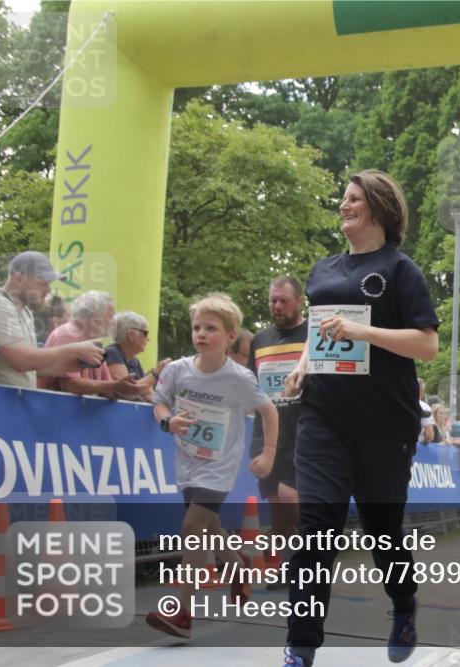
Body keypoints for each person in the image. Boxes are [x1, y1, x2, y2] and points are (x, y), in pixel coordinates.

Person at [280, 170, 438, 667]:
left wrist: (362, 332)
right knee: (315, 532)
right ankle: (300, 647)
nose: (343, 205)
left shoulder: (400, 270)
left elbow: (428, 346)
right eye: (343, 198)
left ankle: (404, 605)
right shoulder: (323, 270)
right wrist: (304, 366)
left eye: (353, 199)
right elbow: (320, 334)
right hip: (324, 420)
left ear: (378, 208)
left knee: (382, 532)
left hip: (385, 425)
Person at [146, 292, 279, 639]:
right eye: (196, 328)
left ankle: (182, 612)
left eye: (211, 328)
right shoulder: (177, 371)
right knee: (209, 529)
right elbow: (158, 403)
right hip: (187, 462)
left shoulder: (239, 378)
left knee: (193, 528)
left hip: (220, 467)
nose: (201, 334)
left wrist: (268, 452)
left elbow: (268, 410)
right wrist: (168, 422)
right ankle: (238, 567)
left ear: (230, 337)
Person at [0, 252, 105, 388]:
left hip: (5, 403)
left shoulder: (24, 310)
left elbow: (28, 368)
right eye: (43, 283)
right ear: (19, 279)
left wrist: (71, 365)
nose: (48, 290)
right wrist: (75, 349)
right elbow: (22, 361)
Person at [247, 275, 308, 584]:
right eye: (273, 300)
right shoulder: (260, 340)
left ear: (299, 301)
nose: (277, 306)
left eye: (284, 300)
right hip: (266, 432)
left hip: (302, 429)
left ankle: (313, 555)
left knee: (289, 495)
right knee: (275, 501)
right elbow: (250, 385)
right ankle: (289, 566)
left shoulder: (312, 334)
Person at [39, 291, 140, 400]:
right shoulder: (67, 335)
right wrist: (115, 386)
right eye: (111, 317)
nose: (114, 322)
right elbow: (69, 385)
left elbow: (108, 388)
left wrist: (128, 389)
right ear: (95, 321)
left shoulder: (94, 344)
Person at [105, 311, 171, 401]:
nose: (148, 339)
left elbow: (147, 394)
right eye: (145, 333)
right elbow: (127, 391)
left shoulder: (134, 360)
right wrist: (156, 373)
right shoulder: (112, 353)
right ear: (131, 335)